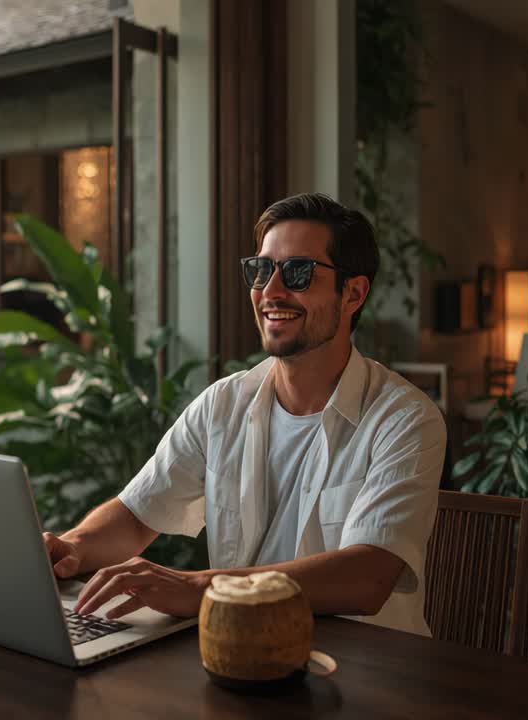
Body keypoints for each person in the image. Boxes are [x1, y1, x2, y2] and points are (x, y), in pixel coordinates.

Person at [46, 193, 446, 635]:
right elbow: (136, 514)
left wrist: (198, 586)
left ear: (353, 292)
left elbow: (367, 577)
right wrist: (70, 549)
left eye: (298, 272)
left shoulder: (406, 419)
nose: (271, 292)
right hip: (237, 655)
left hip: (366, 678)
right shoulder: (223, 405)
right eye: (260, 271)